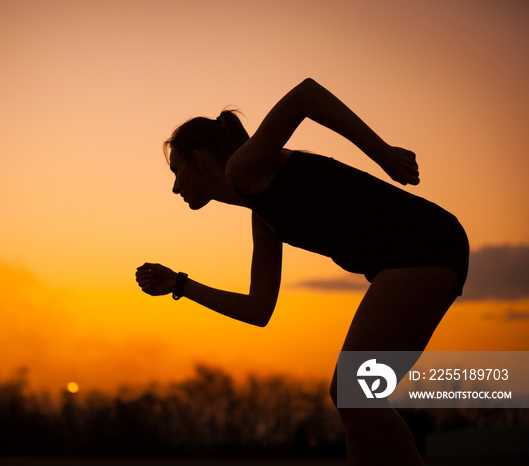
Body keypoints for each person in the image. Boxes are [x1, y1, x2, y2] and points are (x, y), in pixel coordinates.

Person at [135, 78, 469, 465]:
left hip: (424, 244)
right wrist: (180, 284)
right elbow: (258, 310)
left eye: (176, 171)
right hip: (422, 252)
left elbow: (306, 94)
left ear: (198, 159)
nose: (176, 188)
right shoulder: (263, 217)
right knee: (354, 404)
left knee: (351, 393)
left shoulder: (243, 168)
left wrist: (383, 154)